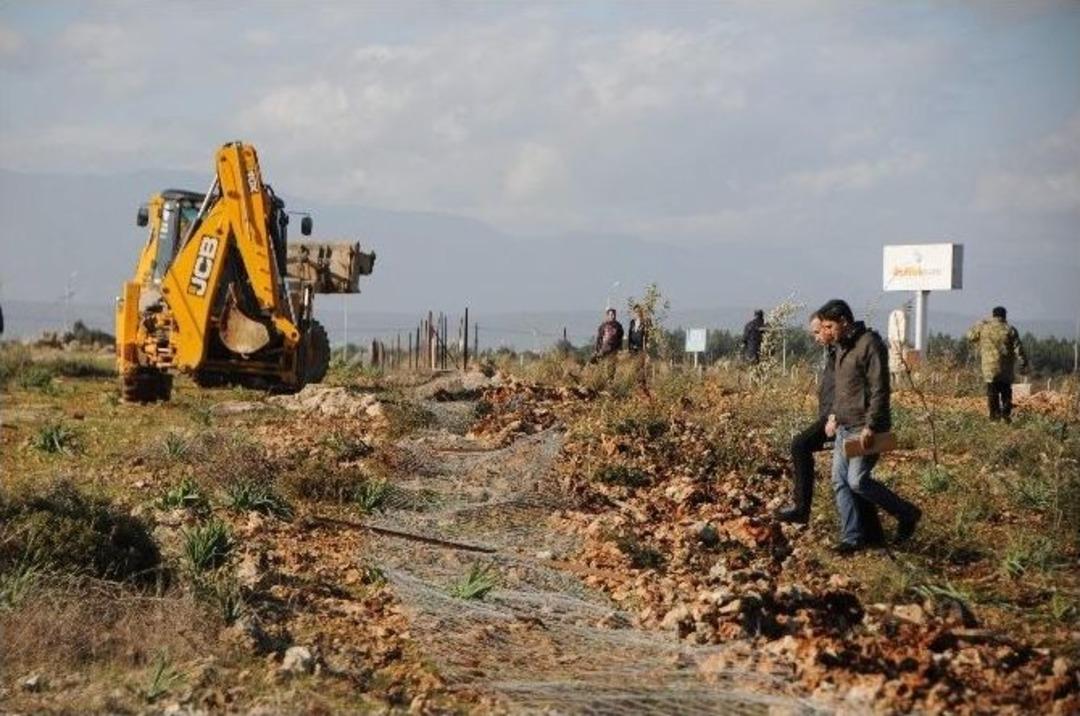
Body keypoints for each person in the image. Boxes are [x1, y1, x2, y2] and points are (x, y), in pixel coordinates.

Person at [816, 299, 921, 554]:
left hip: (864, 428)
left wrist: (871, 426)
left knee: (857, 481)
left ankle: (907, 513)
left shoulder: (869, 344)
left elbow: (879, 388)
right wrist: (832, 416)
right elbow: (842, 390)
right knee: (840, 482)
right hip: (844, 427)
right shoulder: (841, 347)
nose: (825, 331)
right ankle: (852, 539)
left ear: (844, 321)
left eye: (829, 326)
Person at [777, 313, 884, 544]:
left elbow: (867, 388)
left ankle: (802, 508)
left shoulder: (851, 350)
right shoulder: (837, 351)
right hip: (838, 419)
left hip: (847, 421)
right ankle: (873, 535)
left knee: (802, 446)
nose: (817, 337)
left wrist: (838, 418)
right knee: (851, 477)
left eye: (820, 331)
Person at [966, 306, 1028, 423]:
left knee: (992, 392)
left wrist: (979, 323)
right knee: (1006, 392)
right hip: (1006, 369)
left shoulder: (984, 327)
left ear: (993, 315)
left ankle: (994, 418)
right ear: (1004, 316)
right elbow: (1018, 349)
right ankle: (1005, 416)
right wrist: (1023, 362)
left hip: (989, 368)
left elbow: (970, 336)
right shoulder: (1010, 329)